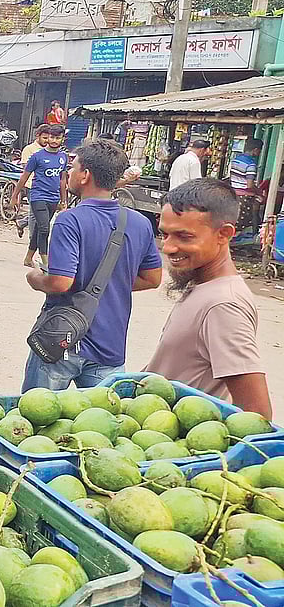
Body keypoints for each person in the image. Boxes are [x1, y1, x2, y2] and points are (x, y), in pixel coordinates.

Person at [21, 138, 163, 391]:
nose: (69, 173)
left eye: (72, 168)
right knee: (98, 424)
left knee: (37, 419)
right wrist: (112, 285)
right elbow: (153, 279)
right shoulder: (140, 223)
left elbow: (60, 282)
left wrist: (34, 279)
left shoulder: (70, 220)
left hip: (62, 342)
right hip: (110, 346)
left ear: (85, 175)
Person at [145, 178, 271, 418]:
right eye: (165, 234)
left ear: (224, 234)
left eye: (184, 237)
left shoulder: (224, 305)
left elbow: (257, 417)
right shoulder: (202, 284)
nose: (168, 247)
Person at [11, 124, 68, 268]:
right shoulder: (37, 156)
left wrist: (64, 200)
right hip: (38, 196)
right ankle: (46, 260)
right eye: (52, 137)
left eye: (57, 138)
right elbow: (24, 177)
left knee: (38, 229)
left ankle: (28, 258)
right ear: (47, 137)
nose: (54, 140)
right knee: (44, 228)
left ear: (62, 139)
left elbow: (62, 179)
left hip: (54, 198)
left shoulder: (63, 157)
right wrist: (15, 196)